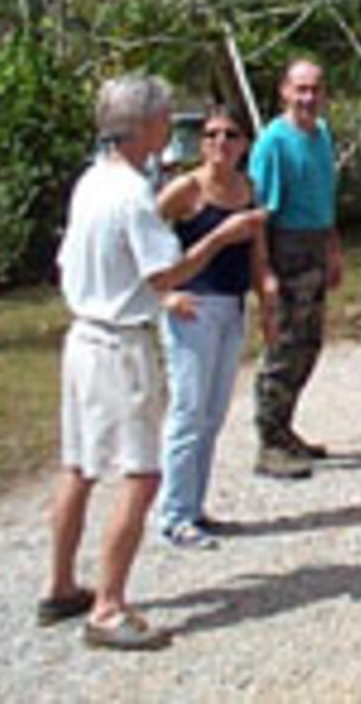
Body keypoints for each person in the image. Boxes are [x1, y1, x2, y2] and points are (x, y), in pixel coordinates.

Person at [43, 75, 264, 651]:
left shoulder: (91, 182)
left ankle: (60, 584)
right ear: (143, 126)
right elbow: (167, 273)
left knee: (79, 465)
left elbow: (67, 261)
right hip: (119, 342)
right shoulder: (134, 193)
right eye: (166, 118)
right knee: (141, 474)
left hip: (82, 334)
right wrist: (221, 238)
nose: (171, 129)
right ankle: (108, 607)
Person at [153, 106, 271, 550]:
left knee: (213, 413)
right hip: (193, 307)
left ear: (244, 144)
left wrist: (267, 302)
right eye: (211, 134)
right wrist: (163, 294)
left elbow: (257, 254)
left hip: (231, 306)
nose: (220, 142)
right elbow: (140, 236)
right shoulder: (186, 189)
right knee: (188, 411)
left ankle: (193, 506)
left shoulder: (248, 189)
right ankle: (174, 515)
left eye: (230, 134)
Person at [248, 58, 344, 479]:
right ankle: (269, 442)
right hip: (285, 248)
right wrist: (264, 272)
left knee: (308, 344)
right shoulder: (273, 142)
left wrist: (333, 250)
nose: (308, 97)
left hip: (316, 244)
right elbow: (259, 214)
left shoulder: (321, 134)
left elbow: (326, 197)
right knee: (284, 346)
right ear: (285, 91)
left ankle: (285, 430)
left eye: (315, 89)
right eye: (300, 89)